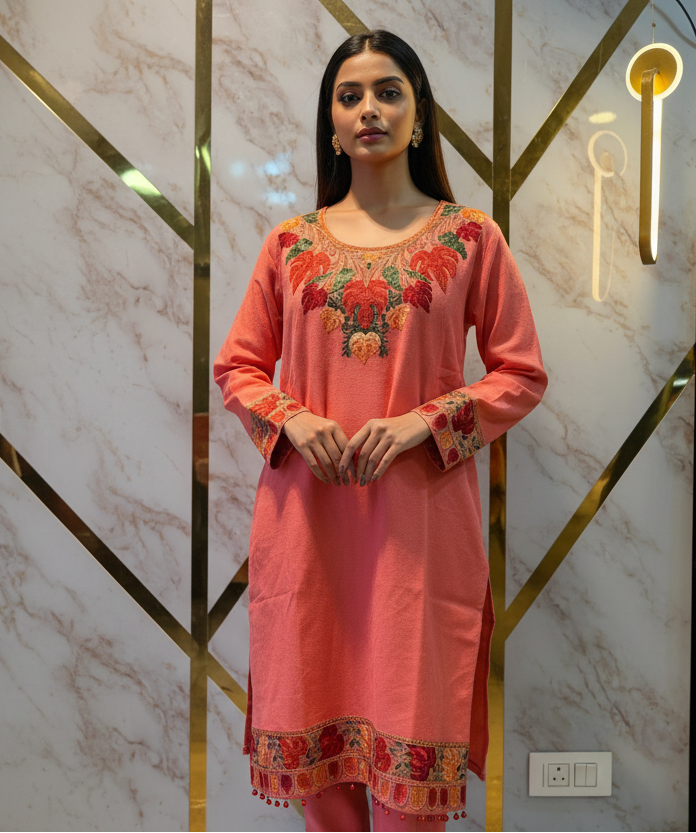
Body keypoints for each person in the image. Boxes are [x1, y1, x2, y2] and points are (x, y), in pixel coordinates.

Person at [214, 29, 547, 833]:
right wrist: (294, 417)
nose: (369, 108)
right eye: (350, 95)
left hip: (418, 539)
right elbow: (238, 367)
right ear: (331, 124)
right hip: (309, 535)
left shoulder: (471, 239)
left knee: (408, 795)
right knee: (325, 797)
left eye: (389, 92)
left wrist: (423, 423)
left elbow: (521, 372)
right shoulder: (289, 246)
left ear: (419, 116)